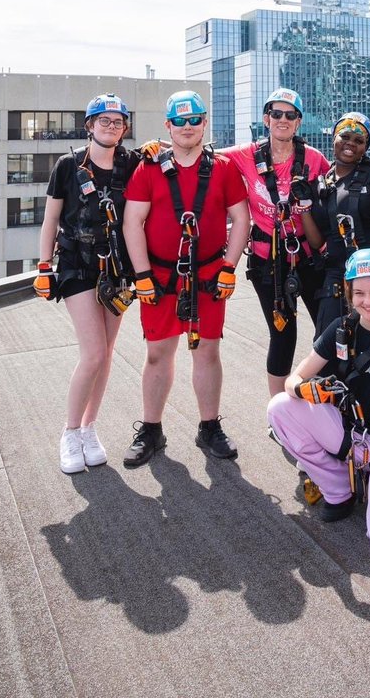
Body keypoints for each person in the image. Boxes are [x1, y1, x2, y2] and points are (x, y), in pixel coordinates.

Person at [267, 248, 370, 565]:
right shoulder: (341, 330)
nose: (367, 301)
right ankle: (339, 487)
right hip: (353, 435)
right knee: (280, 407)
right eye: (359, 293)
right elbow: (293, 380)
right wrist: (306, 389)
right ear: (349, 293)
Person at [122, 90, 250, 467]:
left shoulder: (224, 168)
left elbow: (240, 219)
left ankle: (209, 426)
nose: (189, 127)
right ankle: (151, 429)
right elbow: (132, 222)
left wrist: (229, 267)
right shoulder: (148, 167)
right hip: (160, 276)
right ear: (168, 126)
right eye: (180, 121)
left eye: (195, 119)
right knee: (158, 353)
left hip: (210, 273)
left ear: (205, 122)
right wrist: (141, 274)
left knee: (207, 351)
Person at [35, 93, 142, 474]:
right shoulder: (67, 165)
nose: (111, 127)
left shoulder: (132, 163)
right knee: (94, 352)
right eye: (104, 120)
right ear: (89, 125)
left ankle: (89, 429)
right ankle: (69, 432)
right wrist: (45, 266)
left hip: (117, 270)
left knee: (108, 352)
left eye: (118, 121)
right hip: (77, 266)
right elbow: (50, 219)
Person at [224, 88, 329, 397]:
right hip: (266, 259)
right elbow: (200, 154)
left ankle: (325, 396)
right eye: (277, 114)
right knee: (283, 334)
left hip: (307, 258)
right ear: (266, 119)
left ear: (298, 123)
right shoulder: (246, 155)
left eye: (290, 115)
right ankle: (278, 408)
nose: (283, 120)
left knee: (328, 328)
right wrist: (158, 149)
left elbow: (342, 187)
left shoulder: (314, 159)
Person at [297, 112, 370, 332]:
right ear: (334, 139)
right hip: (338, 274)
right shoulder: (322, 184)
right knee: (327, 342)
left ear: (365, 148)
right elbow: (317, 240)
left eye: (359, 140)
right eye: (345, 136)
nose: (350, 143)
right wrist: (304, 205)